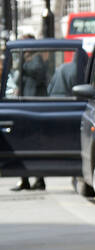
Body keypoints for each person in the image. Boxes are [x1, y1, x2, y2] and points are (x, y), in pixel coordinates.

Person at [10, 37, 47, 191]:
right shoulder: (29, 61)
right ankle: (24, 179)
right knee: (22, 145)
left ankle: (38, 179)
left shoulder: (36, 60)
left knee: (32, 145)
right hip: (24, 105)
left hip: (32, 106)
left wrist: (22, 65)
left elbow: (38, 74)